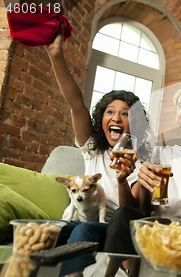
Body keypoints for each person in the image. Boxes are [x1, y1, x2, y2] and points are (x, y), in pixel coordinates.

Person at [101, 85, 181, 277]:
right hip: (158, 223)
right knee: (123, 214)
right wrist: (125, 181)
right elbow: (138, 207)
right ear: (177, 115)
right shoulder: (161, 152)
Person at [45, 25, 147, 248]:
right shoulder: (93, 148)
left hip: (109, 227)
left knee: (84, 229)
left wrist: (122, 180)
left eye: (125, 114)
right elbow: (77, 106)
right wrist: (56, 55)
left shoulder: (143, 162)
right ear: (101, 118)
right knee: (40, 230)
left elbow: (131, 210)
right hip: (77, 221)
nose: (116, 118)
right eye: (110, 112)